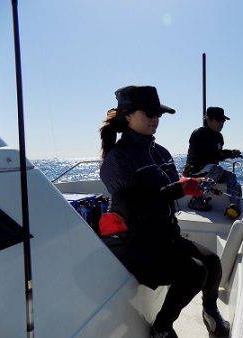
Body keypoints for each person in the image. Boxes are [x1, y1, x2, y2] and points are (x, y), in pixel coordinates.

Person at [99, 86, 230, 338]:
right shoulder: (117, 159)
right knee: (195, 273)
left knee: (212, 262)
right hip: (138, 244)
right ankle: (161, 328)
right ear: (127, 115)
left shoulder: (161, 153)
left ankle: (210, 311)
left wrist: (196, 184)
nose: (155, 119)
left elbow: (173, 184)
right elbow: (134, 205)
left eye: (158, 113)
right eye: (149, 113)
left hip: (167, 237)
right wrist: (177, 190)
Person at [183, 106, 242, 218]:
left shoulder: (219, 137)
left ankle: (233, 206)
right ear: (209, 120)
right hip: (195, 171)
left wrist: (231, 153)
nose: (221, 123)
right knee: (217, 169)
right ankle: (196, 199)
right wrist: (229, 153)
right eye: (218, 120)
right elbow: (206, 155)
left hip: (211, 171)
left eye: (223, 120)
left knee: (231, 176)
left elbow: (217, 155)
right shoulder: (199, 133)